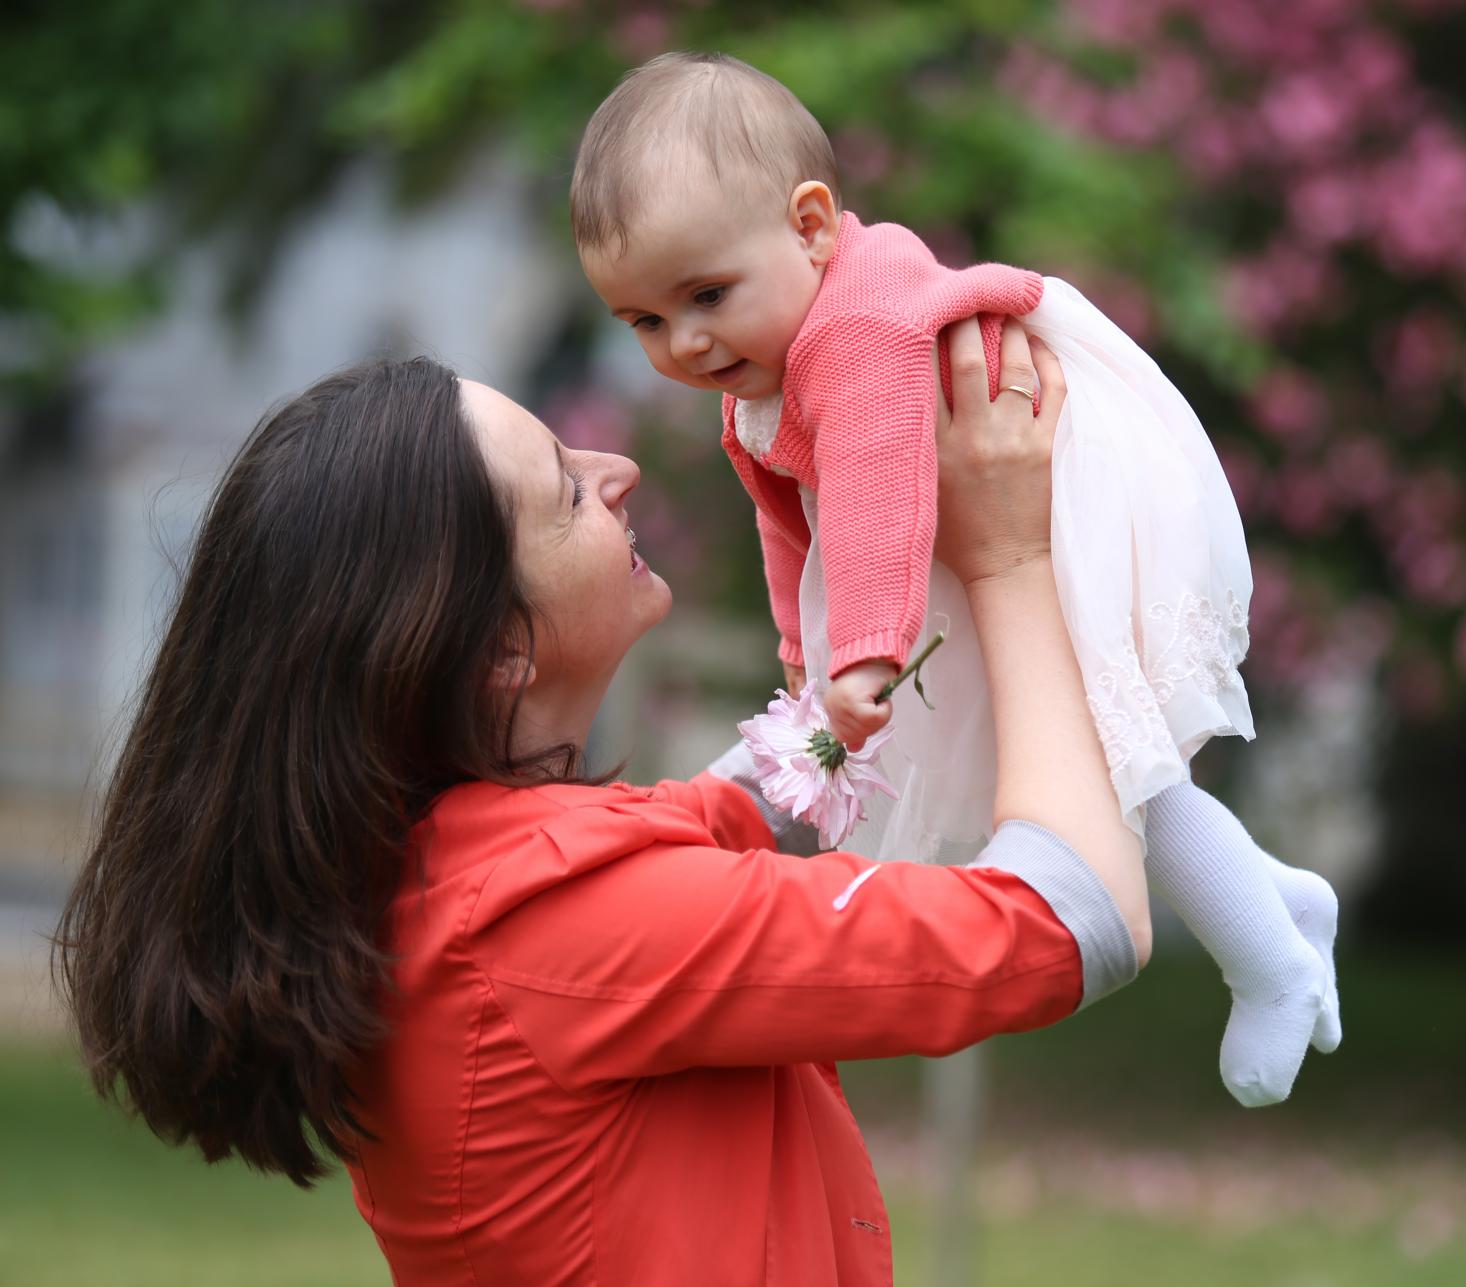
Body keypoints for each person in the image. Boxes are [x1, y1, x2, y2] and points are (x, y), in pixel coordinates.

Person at [54, 321, 1150, 1285]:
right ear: (496, 652)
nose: (616, 467)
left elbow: (753, 803)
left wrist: (874, 591)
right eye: (566, 491)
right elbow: (1072, 922)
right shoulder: (553, 922)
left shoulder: (446, 874)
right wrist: (1008, 556)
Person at [571, 51, 1341, 1106]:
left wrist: (870, 653)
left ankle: (1276, 960)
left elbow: (881, 497)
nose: (685, 342)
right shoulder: (757, 365)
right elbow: (790, 524)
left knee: (1116, 754)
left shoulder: (854, 332)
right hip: (982, 518)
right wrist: (808, 666)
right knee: (1115, 759)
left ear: (809, 226)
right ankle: (1278, 913)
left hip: (1056, 487)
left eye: (705, 295)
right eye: (645, 323)